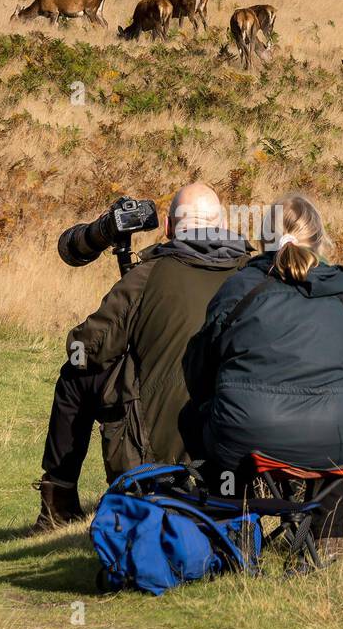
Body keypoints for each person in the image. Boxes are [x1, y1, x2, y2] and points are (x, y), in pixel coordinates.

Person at [32, 183, 252, 532]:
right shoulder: (253, 274)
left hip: (151, 455)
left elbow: (86, 348)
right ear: (223, 223)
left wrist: (135, 339)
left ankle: (58, 503)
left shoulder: (148, 276)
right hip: (240, 450)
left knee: (75, 375)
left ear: (167, 227)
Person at [185, 194, 343, 552]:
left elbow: (201, 362)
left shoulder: (240, 289)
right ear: (319, 240)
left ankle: (236, 534)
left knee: (207, 420)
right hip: (337, 434)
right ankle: (331, 539)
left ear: (262, 241)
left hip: (249, 433)